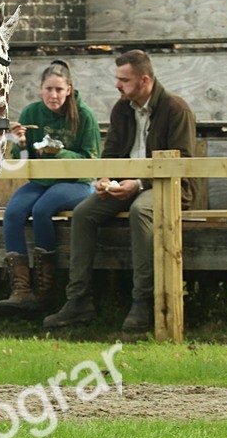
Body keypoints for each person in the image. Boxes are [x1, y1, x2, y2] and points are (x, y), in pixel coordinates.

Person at [43, 50, 197, 333]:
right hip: (125, 185)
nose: (117, 85)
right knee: (83, 213)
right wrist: (105, 179)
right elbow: (112, 154)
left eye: (124, 80)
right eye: (118, 79)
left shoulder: (176, 109)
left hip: (167, 187)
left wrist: (138, 183)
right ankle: (78, 300)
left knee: (140, 211)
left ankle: (142, 302)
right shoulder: (121, 109)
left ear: (145, 80)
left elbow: (183, 164)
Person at [0, 60, 100, 317]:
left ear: (69, 90)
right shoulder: (31, 113)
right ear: (41, 89)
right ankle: (21, 290)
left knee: (42, 209)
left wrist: (60, 152)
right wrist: (20, 143)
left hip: (77, 183)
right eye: (48, 89)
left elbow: (92, 160)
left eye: (59, 90)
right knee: (13, 213)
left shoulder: (84, 116)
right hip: (41, 181)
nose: (53, 95)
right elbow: (23, 161)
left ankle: (45, 291)